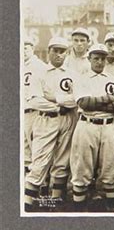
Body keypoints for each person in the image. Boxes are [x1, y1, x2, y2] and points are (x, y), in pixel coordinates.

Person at [70, 44, 114, 212]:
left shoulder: (113, 79)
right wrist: (108, 98)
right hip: (86, 125)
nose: (100, 61)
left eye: (103, 58)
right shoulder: (82, 78)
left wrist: (96, 102)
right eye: (96, 58)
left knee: (111, 166)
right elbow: (83, 103)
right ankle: (79, 208)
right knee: (82, 167)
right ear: (89, 59)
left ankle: (111, 205)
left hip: (109, 126)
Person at [24, 37, 78, 211]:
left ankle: (54, 204)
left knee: (62, 163)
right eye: (55, 50)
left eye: (62, 51)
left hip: (67, 120)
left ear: (67, 53)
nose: (58, 54)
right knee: (39, 162)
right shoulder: (39, 72)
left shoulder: (72, 74)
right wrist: (58, 105)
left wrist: (54, 98)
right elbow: (34, 101)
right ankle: (27, 205)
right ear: (48, 52)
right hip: (45, 119)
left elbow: (76, 100)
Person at [23, 37, 48, 176]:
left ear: (32, 49)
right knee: (25, 153)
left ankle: (43, 190)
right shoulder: (19, 65)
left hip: (35, 113)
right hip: (23, 113)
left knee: (37, 152)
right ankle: (28, 187)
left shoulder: (39, 66)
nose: (23, 51)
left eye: (26, 48)